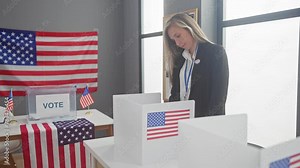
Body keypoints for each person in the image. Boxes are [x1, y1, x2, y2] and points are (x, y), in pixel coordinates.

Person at [164, 13, 229, 117]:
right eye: (173, 40)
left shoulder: (215, 53)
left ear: (190, 28)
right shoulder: (179, 59)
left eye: (178, 36)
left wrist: (210, 125)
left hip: (204, 123)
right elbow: (175, 93)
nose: (177, 43)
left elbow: (218, 98)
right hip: (181, 121)